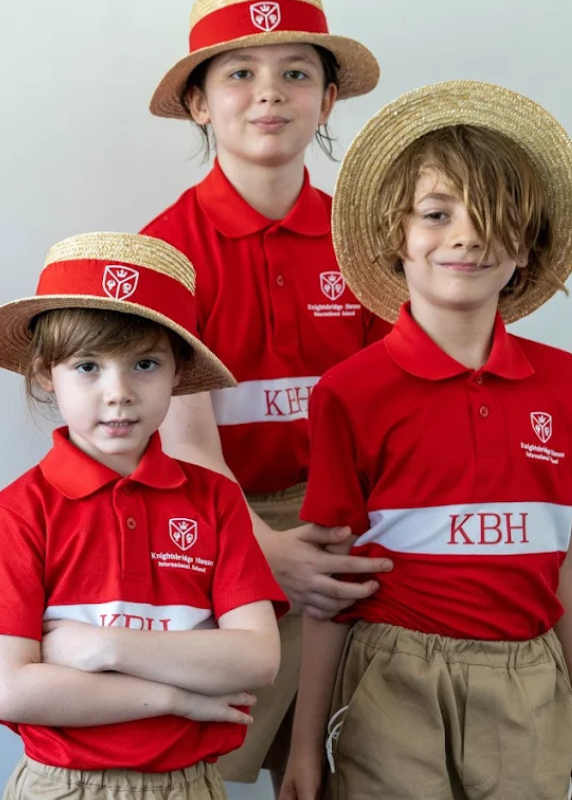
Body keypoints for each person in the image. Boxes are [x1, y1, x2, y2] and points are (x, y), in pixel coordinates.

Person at [281, 81, 572, 800]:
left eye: (494, 218)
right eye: (436, 213)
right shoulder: (350, 391)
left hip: (531, 687)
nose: (466, 235)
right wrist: (304, 746)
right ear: (397, 235)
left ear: (528, 242)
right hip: (390, 683)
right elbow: (332, 585)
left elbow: (570, 569)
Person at [142, 0, 392, 788]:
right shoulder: (165, 251)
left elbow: (392, 414)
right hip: (216, 524)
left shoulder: (370, 240)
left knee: (362, 757)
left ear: (328, 98)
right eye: (240, 73)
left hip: (354, 524)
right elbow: (185, 441)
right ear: (198, 101)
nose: (269, 93)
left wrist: (340, 540)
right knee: (205, 762)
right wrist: (266, 553)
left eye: (295, 74)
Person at [0, 231, 288, 800]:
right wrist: (175, 698)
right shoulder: (19, 511)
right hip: (61, 786)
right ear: (43, 374)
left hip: (190, 785)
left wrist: (104, 648)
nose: (118, 392)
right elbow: (11, 688)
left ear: (179, 373)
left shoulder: (216, 500)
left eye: (145, 363)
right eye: (87, 366)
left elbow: (256, 658)